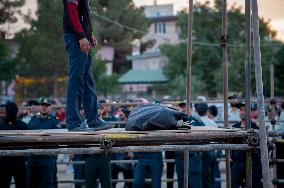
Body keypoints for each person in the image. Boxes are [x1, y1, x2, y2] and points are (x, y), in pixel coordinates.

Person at [63, 0, 107, 130]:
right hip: (76, 38)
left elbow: (84, 14)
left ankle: (93, 120)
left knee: (88, 81)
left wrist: (89, 33)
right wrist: (81, 35)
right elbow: (72, 11)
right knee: (76, 81)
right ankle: (73, 122)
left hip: (83, 37)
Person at [27, 97, 60, 188]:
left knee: (47, 183)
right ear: (39, 106)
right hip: (33, 157)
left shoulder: (54, 121)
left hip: (47, 157)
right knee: (31, 182)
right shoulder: (33, 120)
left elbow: (57, 139)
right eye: (42, 105)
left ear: (50, 107)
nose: (44, 107)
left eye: (47, 105)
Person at [231, 102, 262, 188]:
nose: (242, 112)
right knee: (233, 183)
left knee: (253, 184)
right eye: (240, 110)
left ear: (251, 112)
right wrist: (231, 156)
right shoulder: (234, 127)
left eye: (245, 110)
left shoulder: (255, 127)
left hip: (251, 161)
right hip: (237, 161)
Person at [0, 101, 27, 188]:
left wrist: (25, 157)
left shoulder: (23, 126)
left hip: (19, 161)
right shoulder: (1, 126)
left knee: (21, 184)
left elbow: (28, 143)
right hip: (4, 161)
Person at [196, 103, 217, 188]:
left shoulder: (196, 123)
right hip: (213, 151)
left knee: (204, 176)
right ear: (207, 111)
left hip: (203, 151)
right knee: (212, 175)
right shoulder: (212, 123)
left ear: (197, 112)